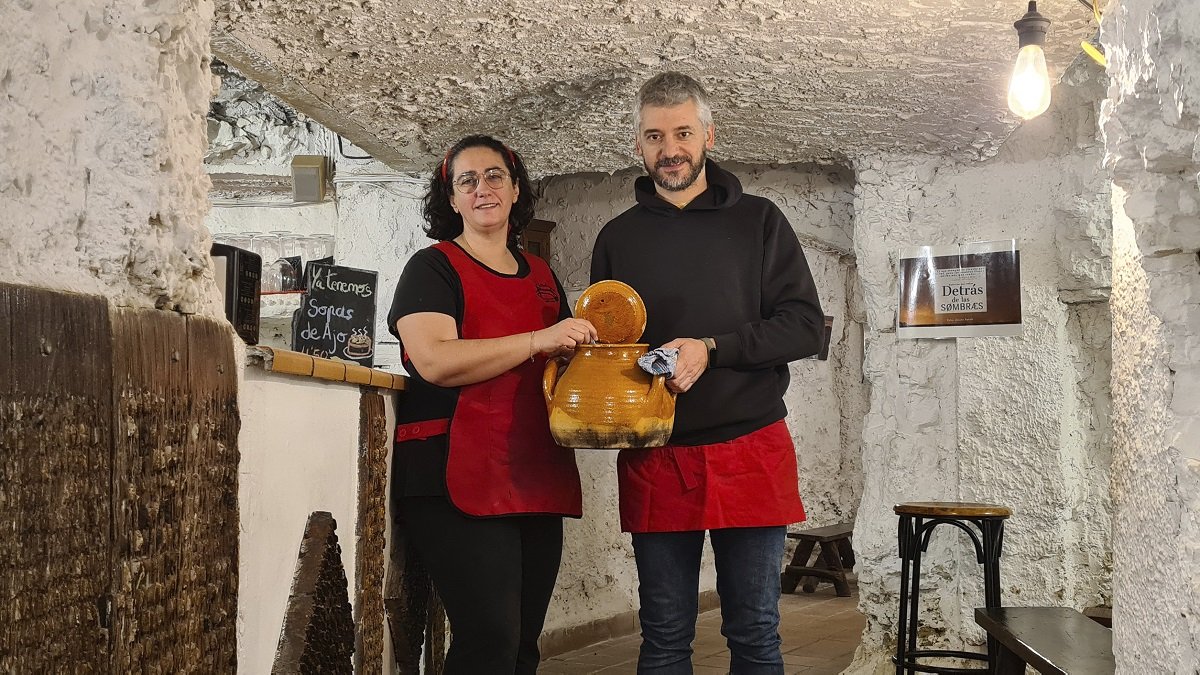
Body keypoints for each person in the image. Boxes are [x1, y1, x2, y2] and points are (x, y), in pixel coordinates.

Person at [590, 72, 825, 674]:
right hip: (656, 452)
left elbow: (803, 326)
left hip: (750, 443)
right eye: (655, 136)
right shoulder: (616, 239)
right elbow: (610, 354)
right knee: (664, 639)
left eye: (683, 133)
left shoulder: (761, 221)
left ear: (709, 136)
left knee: (755, 635)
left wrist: (709, 349)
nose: (671, 148)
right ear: (638, 147)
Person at [388, 134, 598, 674]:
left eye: (494, 176)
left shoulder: (544, 278)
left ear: (515, 189)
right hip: (454, 470)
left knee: (524, 644)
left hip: (535, 469)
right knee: (489, 641)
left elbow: (564, 369)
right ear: (451, 199)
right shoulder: (431, 268)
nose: (483, 188)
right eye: (467, 180)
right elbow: (433, 359)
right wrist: (536, 340)